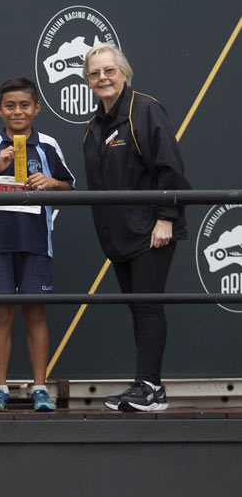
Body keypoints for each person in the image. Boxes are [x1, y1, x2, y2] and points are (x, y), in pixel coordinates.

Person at [82, 44, 190, 412]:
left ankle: (151, 389)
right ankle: (145, 385)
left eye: (109, 71)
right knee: (138, 309)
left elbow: (170, 168)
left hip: (152, 231)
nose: (102, 79)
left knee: (147, 308)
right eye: (94, 74)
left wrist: (166, 217)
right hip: (119, 237)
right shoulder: (94, 125)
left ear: (124, 73)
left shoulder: (145, 110)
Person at [0, 77, 75, 412]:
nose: (17, 111)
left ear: (37, 108)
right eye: (10, 105)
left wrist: (52, 182)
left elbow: (71, 189)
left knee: (36, 314)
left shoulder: (49, 145)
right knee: (1, 315)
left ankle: (41, 388)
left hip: (37, 243)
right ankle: (0, 388)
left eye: (25, 105)